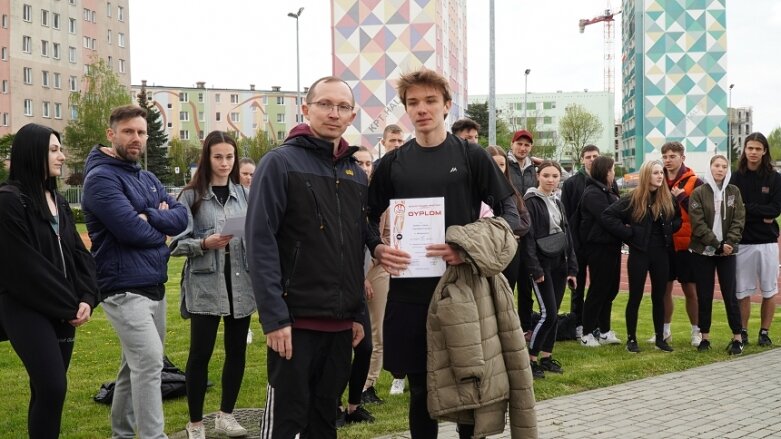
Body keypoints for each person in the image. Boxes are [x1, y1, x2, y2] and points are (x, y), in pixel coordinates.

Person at [368, 68, 522, 438]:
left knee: (470, 392)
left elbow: (512, 213)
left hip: (462, 291)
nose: (422, 109)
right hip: (409, 294)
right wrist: (377, 247)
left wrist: (466, 247)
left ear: (446, 106)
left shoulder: (471, 156)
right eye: (413, 103)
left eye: (430, 101)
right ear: (406, 109)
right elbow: (364, 218)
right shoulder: (391, 163)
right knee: (421, 393)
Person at [246, 76, 367, 437]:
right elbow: (260, 241)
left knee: (324, 421)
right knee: (288, 423)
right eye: (325, 104)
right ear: (306, 108)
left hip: (341, 325)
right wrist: (273, 317)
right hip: (294, 323)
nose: (334, 113)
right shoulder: (279, 163)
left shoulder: (356, 172)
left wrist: (358, 312)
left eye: (343, 107)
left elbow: (355, 245)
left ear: (352, 115)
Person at [82, 105, 188, 439]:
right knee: (150, 363)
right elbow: (131, 231)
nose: (137, 138)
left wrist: (150, 217)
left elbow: (182, 216)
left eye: (141, 132)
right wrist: (158, 225)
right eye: (129, 131)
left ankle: (121, 434)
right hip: (124, 289)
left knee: (134, 367)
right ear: (111, 134)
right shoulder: (100, 179)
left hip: (153, 284)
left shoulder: (147, 177)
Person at [0, 123, 97, 438]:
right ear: (33, 153)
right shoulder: (9, 201)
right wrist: (68, 304)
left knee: (48, 392)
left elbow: (78, 255)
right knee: (52, 386)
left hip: (64, 309)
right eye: (54, 150)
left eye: (60, 149)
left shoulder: (59, 200)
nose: (62, 157)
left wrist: (86, 297)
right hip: (25, 307)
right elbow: (22, 266)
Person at [170, 131, 256, 439]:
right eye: (217, 156)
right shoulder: (191, 195)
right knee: (200, 354)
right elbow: (173, 244)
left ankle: (226, 416)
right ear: (207, 158)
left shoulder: (245, 194)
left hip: (241, 284)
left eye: (229, 157)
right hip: (205, 285)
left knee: (237, 353)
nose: (224, 163)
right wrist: (204, 243)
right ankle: (195, 423)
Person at [603, 160, 680, 354]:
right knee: (635, 296)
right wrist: (629, 234)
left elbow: (678, 219)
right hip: (639, 253)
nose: (660, 176)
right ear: (647, 175)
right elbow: (608, 216)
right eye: (655, 173)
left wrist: (670, 230)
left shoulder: (668, 198)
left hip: (661, 253)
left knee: (659, 296)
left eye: (661, 173)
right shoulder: (633, 198)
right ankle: (632, 338)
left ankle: (660, 339)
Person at [522, 161, 578, 378]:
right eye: (546, 175)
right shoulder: (530, 202)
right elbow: (528, 240)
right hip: (542, 265)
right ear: (538, 176)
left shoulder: (558, 199)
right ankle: (531, 359)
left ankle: (546, 356)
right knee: (549, 314)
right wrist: (535, 269)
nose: (551, 180)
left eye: (555, 176)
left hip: (560, 264)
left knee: (553, 316)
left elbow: (567, 235)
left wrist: (572, 268)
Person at [688, 154, 745, 355]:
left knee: (730, 294)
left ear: (727, 169)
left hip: (728, 252)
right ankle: (705, 337)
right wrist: (716, 244)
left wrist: (728, 243)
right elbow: (698, 223)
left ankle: (737, 337)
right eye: (716, 166)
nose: (720, 169)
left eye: (723, 166)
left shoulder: (734, 192)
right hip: (703, 252)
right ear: (710, 168)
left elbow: (739, 219)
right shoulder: (698, 193)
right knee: (705, 294)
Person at [730, 132, 781, 347]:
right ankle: (743, 332)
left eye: (758, 149)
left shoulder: (775, 177)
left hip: (768, 243)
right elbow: (734, 208)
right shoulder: (736, 177)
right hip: (743, 243)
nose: (753, 152)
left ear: (764, 151)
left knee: (769, 290)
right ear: (745, 150)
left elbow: (776, 208)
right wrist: (761, 214)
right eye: (750, 148)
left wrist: (748, 209)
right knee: (743, 292)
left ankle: (764, 331)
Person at [337, 146, 376, 425]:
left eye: (367, 163)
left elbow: (366, 237)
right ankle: (333, 405)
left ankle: (354, 405)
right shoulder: (336, 196)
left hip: (356, 281)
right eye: (358, 163)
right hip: (333, 284)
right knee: (338, 348)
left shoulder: (368, 197)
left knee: (365, 347)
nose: (363, 168)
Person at [658, 141, 703, 346]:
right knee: (664, 290)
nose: (668, 160)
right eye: (665, 156)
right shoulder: (657, 180)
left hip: (686, 245)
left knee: (690, 290)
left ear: (682, 158)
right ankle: (664, 331)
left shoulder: (695, 182)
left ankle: (696, 331)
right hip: (664, 244)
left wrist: (682, 197)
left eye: (672, 156)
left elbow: (700, 213)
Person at [486, 145, 532, 336]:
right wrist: (503, 231)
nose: (499, 169)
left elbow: (525, 222)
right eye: (494, 165)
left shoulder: (512, 191)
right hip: (488, 252)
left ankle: (508, 333)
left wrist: (504, 229)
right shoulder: (479, 191)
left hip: (511, 251)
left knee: (508, 294)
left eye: (502, 164)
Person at [577, 156, 622, 347]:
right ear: (605, 171)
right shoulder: (593, 193)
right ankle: (587, 333)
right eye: (612, 170)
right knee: (598, 290)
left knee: (610, 290)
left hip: (612, 246)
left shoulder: (609, 190)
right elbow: (608, 218)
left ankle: (604, 331)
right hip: (598, 247)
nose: (613, 173)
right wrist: (630, 232)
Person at [561, 145, 601, 338]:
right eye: (588, 156)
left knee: (599, 285)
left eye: (595, 156)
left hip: (598, 243)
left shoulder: (606, 180)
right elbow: (566, 216)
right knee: (578, 285)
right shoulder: (571, 184)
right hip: (577, 243)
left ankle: (597, 324)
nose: (592, 159)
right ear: (582, 159)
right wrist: (570, 243)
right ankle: (577, 322)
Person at [506, 129, 538, 334]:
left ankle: (526, 327)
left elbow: (557, 176)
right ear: (512, 144)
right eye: (520, 144)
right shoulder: (504, 165)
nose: (523, 148)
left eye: (527, 145)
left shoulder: (535, 168)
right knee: (507, 283)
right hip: (509, 231)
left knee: (527, 283)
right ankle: (505, 326)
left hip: (530, 233)